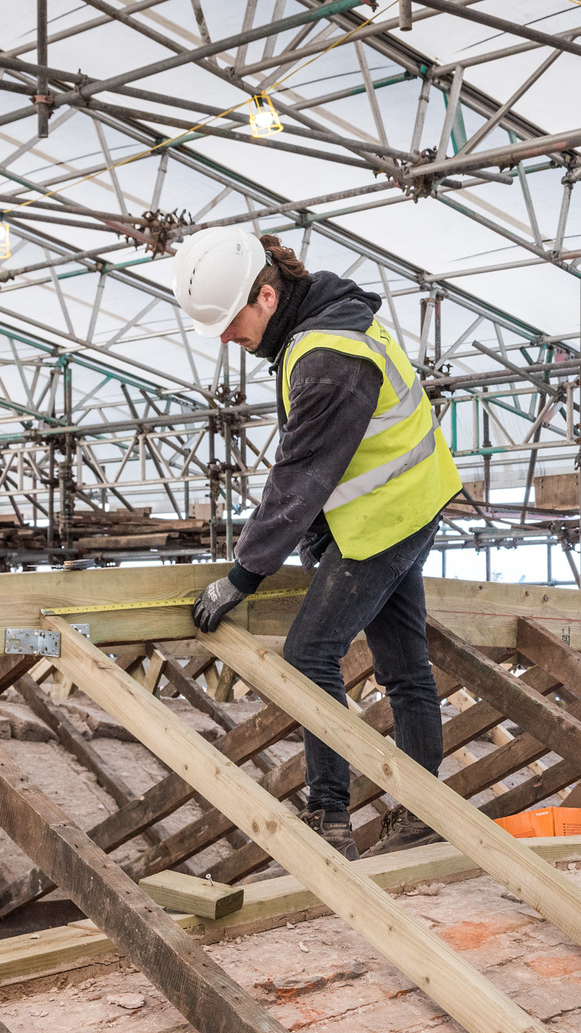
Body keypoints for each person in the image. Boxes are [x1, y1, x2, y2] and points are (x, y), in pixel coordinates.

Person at [171, 227, 459, 860]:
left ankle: (329, 814)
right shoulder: (330, 323)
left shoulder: (329, 359)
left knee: (310, 655)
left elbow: (299, 479)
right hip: (411, 502)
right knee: (407, 670)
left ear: (268, 297)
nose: (225, 337)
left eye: (229, 321)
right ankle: (423, 817)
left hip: (386, 518)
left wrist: (242, 576)